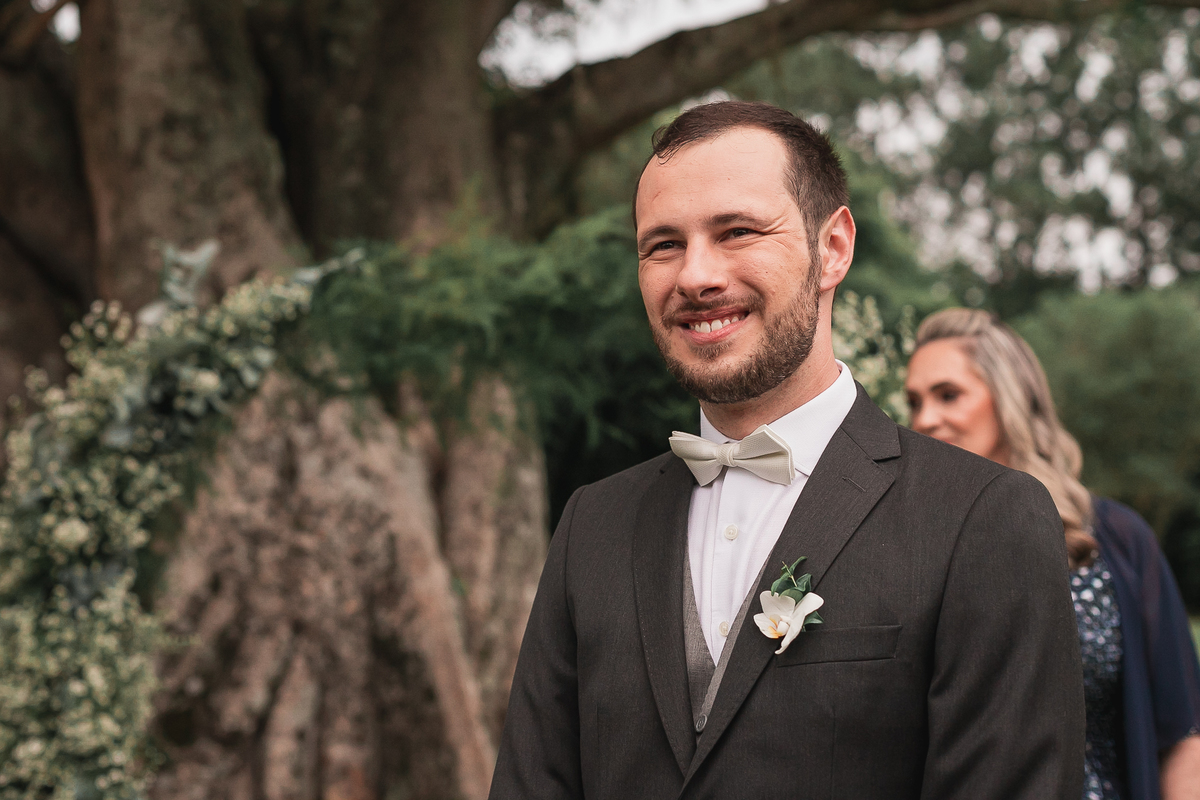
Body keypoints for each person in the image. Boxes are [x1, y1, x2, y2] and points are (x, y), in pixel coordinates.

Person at [489, 101, 1085, 799]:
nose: (695, 276)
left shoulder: (983, 519)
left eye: (737, 231)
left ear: (832, 248)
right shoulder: (592, 526)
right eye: (663, 245)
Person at [905, 307, 1200, 800]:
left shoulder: (1117, 538)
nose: (924, 419)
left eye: (948, 395)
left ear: (1010, 399)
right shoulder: (910, 543)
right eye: (914, 402)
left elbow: (1182, 736)